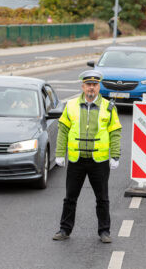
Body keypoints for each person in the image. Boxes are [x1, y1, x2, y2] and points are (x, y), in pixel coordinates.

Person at [52, 70, 122, 243]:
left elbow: (115, 132)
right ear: (82, 86)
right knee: (70, 197)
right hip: (77, 160)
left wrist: (115, 155)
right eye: (88, 85)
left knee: (102, 198)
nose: (91, 88)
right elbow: (63, 131)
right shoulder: (71, 105)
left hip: (99, 161)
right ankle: (64, 229)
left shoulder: (109, 107)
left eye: (95, 85)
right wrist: (60, 154)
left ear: (99, 87)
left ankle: (104, 231)